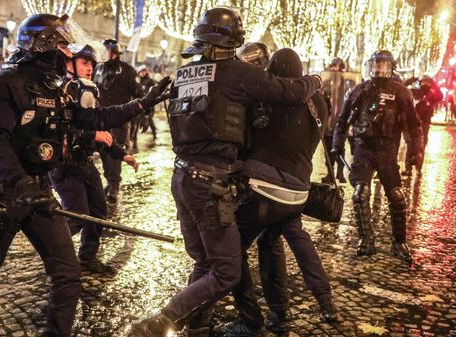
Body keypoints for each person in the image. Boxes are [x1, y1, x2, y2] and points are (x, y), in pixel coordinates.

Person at [0, 14, 169, 337]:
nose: (68, 50)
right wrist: (21, 183)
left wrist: (141, 104)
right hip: (5, 194)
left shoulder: (59, 87)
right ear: (45, 45)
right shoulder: (4, 82)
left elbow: (93, 117)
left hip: (39, 193)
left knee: (67, 273)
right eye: (63, 43)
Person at [126, 7, 323, 337]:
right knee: (227, 271)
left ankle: (197, 326)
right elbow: (291, 92)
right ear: (233, 41)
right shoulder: (235, 72)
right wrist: (316, 80)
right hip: (210, 184)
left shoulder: (187, 73)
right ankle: (162, 322)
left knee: (204, 261)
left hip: (182, 179)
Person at [226, 48, 339, 337]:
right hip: (296, 194)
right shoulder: (317, 103)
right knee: (278, 241)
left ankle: (249, 319)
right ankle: (315, 305)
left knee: (230, 251)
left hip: (263, 191)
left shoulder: (269, 98)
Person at [49, 43, 139, 272]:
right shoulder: (59, 92)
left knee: (98, 213)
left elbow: (101, 133)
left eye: (91, 63)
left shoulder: (87, 91)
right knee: (77, 216)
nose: (89, 68)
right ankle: (56, 259)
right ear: (70, 64)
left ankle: (87, 258)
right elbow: (60, 132)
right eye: (84, 63)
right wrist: (93, 134)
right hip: (65, 167)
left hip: (85, 164)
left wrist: (123, 156)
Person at [332, 50, 423, 264]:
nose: (379, 69)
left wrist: (416, 149)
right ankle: (366, 240)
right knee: (360, 193)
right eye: (376, 64)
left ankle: (399, 242)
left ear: (391, 67)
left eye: (383, 65)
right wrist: (337, 144)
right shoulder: (360, 90)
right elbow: (342, 120)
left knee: (397, 197)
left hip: (388, 149)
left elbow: (414, 124)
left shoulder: (401, 93)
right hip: (364, 148)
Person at [93, 38, 140, 205]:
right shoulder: (98, 69)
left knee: (115, 149)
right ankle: (110, 180)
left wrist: (140, 116)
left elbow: (138, 94)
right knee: (105, 152)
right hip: (101, 117)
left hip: (120, 118)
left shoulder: (127, 71)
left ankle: (114, 185)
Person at [402, 75, 443, 176]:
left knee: (421, 146)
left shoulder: (431, 95)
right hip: (412, 123)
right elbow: (402, 88)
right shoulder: (415, 92)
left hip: (424, 123)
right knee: (411, 145)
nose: (426, 85)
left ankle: (418, 168)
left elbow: (440, 95)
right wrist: (412, 79)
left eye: (428, 83)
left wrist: (434, 84)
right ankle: (408, 168)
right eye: (424, 82)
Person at [322, 57, 347, 183]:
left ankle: (340, 173)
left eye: (335, 66)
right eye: (332, 66)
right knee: (328, 148)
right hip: (328, 122)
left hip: (341, 122)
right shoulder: (327, 83)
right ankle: (330, 173)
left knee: (339, 148)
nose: (333, 68)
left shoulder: (345, 82)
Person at [136, 64, 158, 140]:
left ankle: (154, 134)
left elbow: (155, 89)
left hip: (149, 103)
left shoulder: (150, 81)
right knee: (139, 118)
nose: (142, 73)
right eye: (140, 72)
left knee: (149, 119)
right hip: (141, 103)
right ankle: (134, 136)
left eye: (143, 71)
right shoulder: (139, 81)